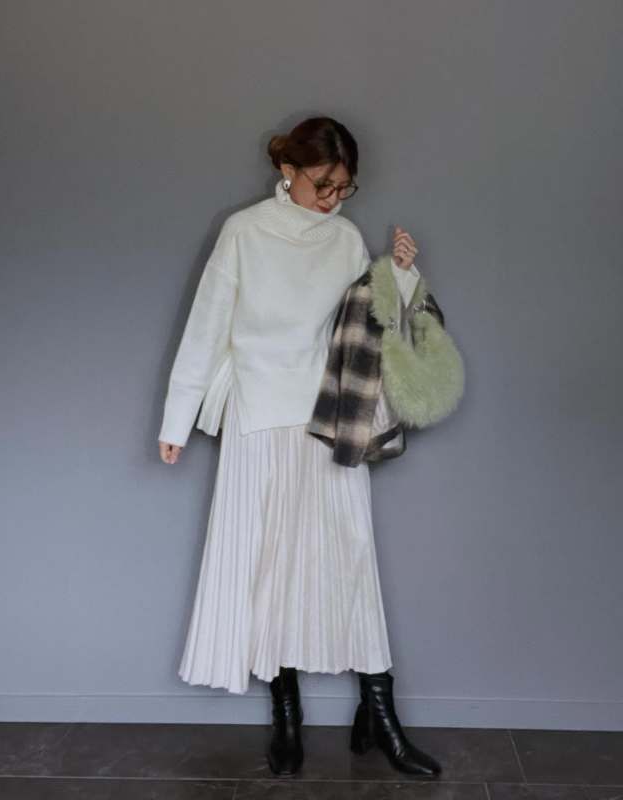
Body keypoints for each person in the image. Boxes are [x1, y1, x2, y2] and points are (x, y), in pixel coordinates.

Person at [158, 116, 442, 778]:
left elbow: (372, 324)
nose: (333, 198)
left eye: (345, 187)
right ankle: (286, 717)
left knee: (351, 558)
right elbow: (207, 327)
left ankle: (379, 714)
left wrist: (401, 276)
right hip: (258, 417)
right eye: (323, 184)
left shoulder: (345, 239)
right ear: (289, 171)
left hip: (330, 418)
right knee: (268, 566)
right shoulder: (243, 231)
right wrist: (176, 421)